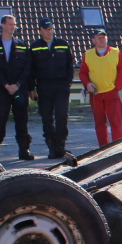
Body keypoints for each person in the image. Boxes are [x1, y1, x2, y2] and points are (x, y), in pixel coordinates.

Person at [0, 15, 34, 160]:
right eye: (10, 24)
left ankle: (24, 151)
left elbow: (27, 68)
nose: (13, 27)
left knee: (22, 120)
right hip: (1, 90)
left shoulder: (22, 45)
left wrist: (17, 85)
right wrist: (5, 85)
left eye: (14, 24)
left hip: (19, 89)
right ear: (3, 25)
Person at [29, 17, 76, 158]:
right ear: (40, 31)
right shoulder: (35, 46)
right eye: (46, 29)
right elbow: (30, 69)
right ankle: (51, 147)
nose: (49, 32)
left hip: (61, 85)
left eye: (51, 29)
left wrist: (68, 82)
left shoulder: (62, 43)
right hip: (44, 85)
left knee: (62, 116)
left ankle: (60, 145)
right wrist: (31, 88)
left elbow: (70, 64)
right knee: (46, 117)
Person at [79, 27, 122, 147]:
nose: (102, 39)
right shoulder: (88, 54)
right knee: (99, 123)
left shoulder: (116, 52)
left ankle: (118, 147)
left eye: (104, 37)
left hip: (112, 92)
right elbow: (83, 73)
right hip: (96, 94)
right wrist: (87, 84)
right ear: (93, 40)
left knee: (115, 122)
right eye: (99, 37)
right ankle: (103, 148)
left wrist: (117, 88)